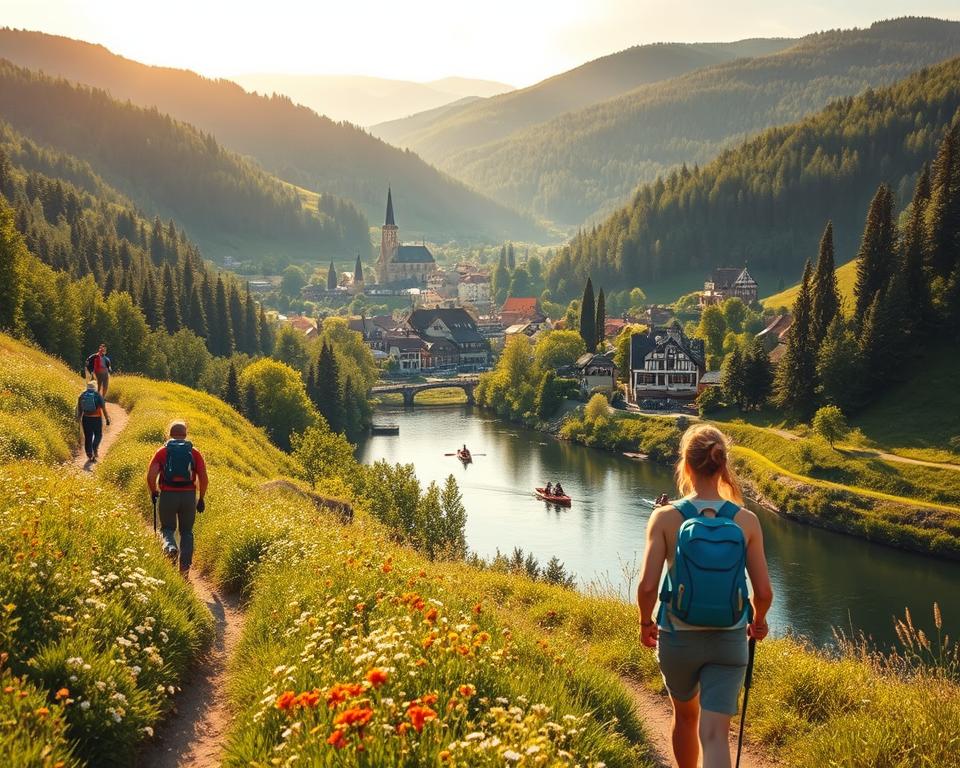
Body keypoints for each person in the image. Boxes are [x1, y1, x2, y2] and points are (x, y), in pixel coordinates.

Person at [637, 424, 773, 768]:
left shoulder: (665, 518)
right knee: (715, 734)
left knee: (685, 718)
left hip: (678, 636)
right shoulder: (747, 521)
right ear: (723, 466)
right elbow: (765, 592)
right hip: (729, 639)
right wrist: (758, 622)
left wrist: (644, 622)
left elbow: (648, 587)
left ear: (685, 465)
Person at [146, 421, 208, 575]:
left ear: (170, 434)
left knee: (167, 528)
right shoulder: (194, 452)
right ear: (185, 434)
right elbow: (204, 477)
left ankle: (170, 547)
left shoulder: (162, 451)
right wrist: (201, 498)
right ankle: (184, 569)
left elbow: (151, 475)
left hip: (168, 495)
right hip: (188, 496)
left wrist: (154, 491)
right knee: (187, 532)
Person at [76, 381, 110, 462]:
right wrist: (107, 419)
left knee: (88, 437)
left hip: (86, 419)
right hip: (96, 418)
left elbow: (79, 409)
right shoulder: (98, 395)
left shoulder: (82, 395)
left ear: (87, 387)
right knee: (98, 435)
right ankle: (95, 447)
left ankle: (89, 454)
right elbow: (104, 409)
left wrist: (78, 419)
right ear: (95, 387)